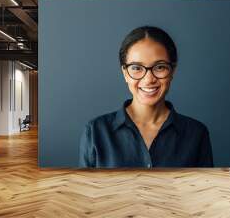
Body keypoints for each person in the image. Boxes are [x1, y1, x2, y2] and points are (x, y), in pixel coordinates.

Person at [78, 26, 213, 168]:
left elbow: (204, 190)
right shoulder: (95, 132)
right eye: (136, 68)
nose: (149, 79)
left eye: (160, 67)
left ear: (172, 70)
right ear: (124, 72)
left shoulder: (196, 134)